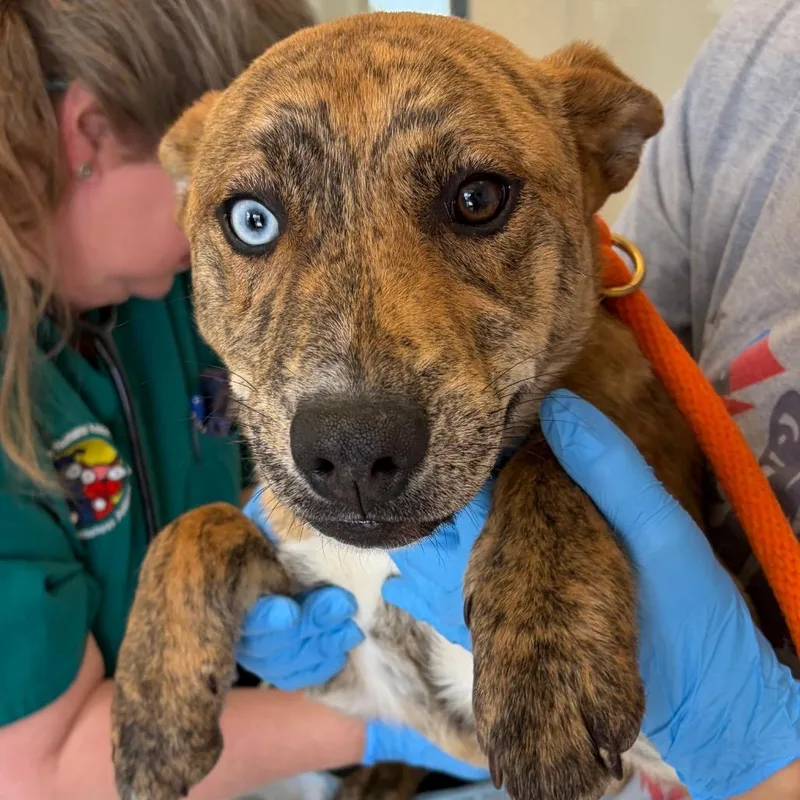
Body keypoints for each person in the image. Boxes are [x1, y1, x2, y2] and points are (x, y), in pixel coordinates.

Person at [241, 0, 800, 798]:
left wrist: (757, 750)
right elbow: (636, 356)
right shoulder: (755, 57)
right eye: (254, 219)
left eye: (475, 200)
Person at [0, 3, 487, 798]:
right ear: (90, 136)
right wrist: (390, 720)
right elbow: (33, 770)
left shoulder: (170, 294)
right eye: (260, 212)